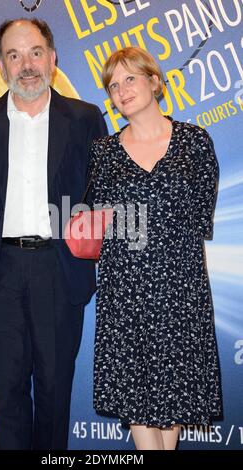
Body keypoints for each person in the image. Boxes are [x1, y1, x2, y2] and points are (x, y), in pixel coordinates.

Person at [0, 18, 107, 450]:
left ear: (53, 58)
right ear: (0, 66)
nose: (27, 64)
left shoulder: (84, 118)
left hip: (58, 273)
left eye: (35, 52)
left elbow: (95, 193)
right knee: (5, 397)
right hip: (0, 272)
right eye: (14, 54)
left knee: (54, 393)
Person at [90, 47, 222, 450]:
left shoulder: (195, 142)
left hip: (180, 289)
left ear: (154, 80)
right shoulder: (103, 153)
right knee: (136, 397)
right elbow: (101, 220)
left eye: (130, 78)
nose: (122, 90)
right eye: (114, 85)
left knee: (174, 398)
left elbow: (200, 217)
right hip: (124, 293)